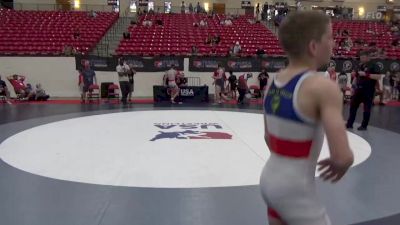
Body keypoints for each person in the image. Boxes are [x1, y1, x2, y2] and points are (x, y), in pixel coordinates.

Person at [260, 11, 353, 225]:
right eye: (329, 37)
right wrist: (341, 164)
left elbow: (268, 138)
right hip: (294, 189)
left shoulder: (273, 82)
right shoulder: (322, 88)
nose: (333, 43)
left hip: (270, 179)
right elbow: (342, 156)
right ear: (313, 47)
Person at [346, 51, 382, 130]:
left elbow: (378, 77)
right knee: (353, 106)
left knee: (366, 109)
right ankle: (349, 123)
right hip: (358, 89)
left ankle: (364, 125)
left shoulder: (374, 65)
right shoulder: (360, 65)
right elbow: (356, 77)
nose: (361, 59)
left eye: (363, 57)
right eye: (360, 57)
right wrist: (352, 87)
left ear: (368, 57)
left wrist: (366, 74)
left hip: (368, 90)